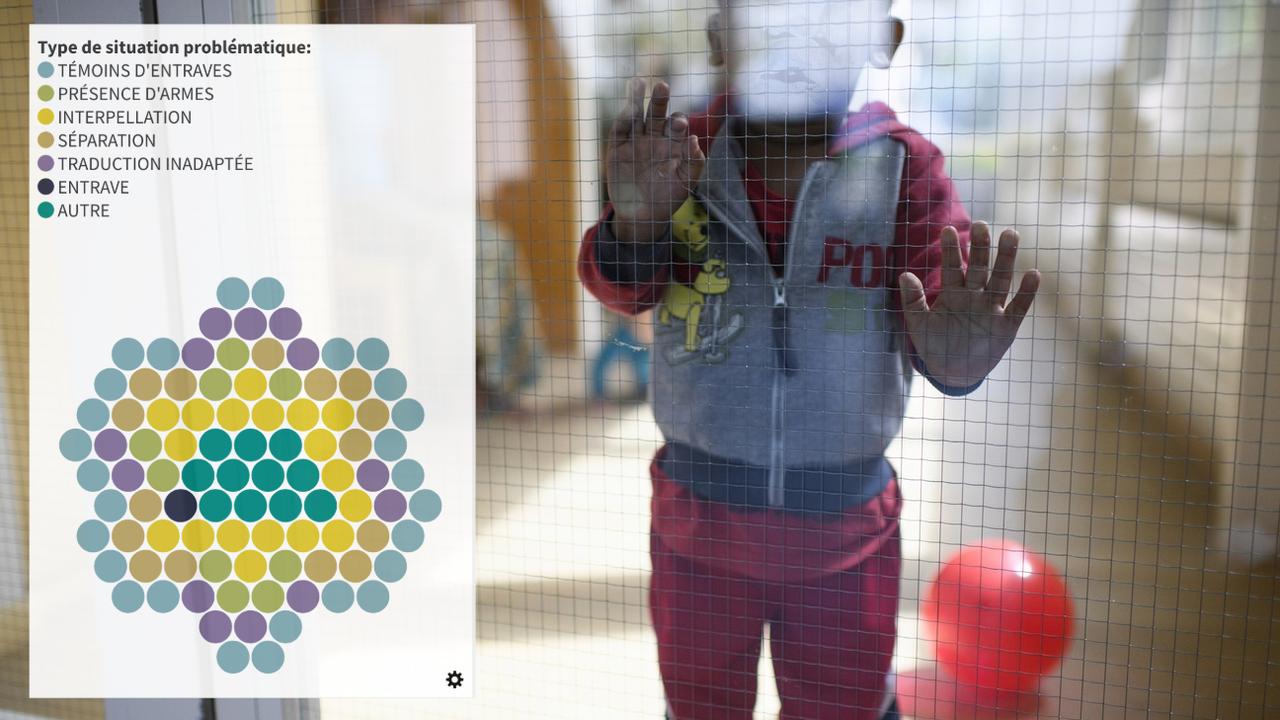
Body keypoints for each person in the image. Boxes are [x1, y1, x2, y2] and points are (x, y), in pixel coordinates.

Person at [578, 1, 1041, 718]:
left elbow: (943, 316)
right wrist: (636, 224)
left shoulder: (904, 168)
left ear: (883, 40)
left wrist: (957, 358)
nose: (793, 27)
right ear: (717, 36)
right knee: (699, 703)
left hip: (843, 527)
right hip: (699, 520)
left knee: (844, 704)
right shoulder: (679, 156)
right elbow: (623, 288)